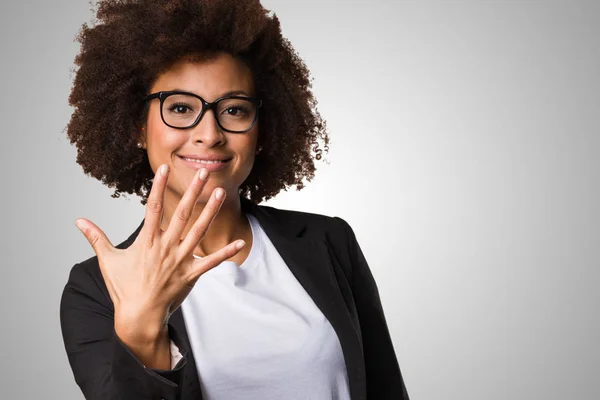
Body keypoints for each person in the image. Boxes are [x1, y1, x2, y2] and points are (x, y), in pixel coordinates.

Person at [59, 1, 410, 399]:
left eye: (234, 110)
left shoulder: (328, 241)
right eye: (179, 108)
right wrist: (142, 332)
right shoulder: (97, 286)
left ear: (262, 131)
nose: (209, 133)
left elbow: (386, 388)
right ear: (139, 128)